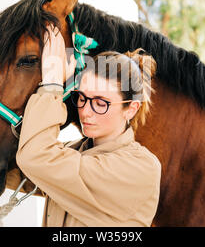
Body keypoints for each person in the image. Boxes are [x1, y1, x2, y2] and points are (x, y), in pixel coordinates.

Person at [16, 25, 161, 227]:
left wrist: (52, 85)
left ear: (131, 109)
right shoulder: (73, 151)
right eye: (82, 98)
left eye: (101, 103)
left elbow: (34, 157)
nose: (86, 111)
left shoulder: (141, 168)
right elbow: (17, 168)